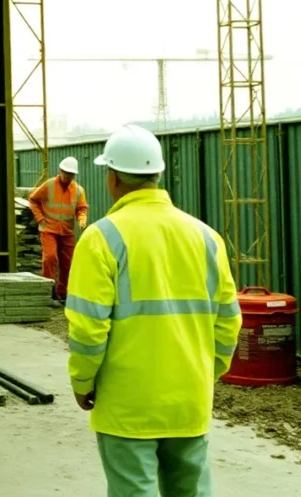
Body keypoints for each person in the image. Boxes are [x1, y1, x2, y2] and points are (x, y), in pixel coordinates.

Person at [65, 125, 242, 495]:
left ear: (112, 177)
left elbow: (87, 329)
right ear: (157, 175)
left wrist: (82, 383)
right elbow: (229, 322)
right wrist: (205, 375)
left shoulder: (101, 238)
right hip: (189, 400)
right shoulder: (207, 237)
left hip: (126, 405)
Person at [29, 156, 88, 303]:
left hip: (67, 232)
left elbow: (81, 208)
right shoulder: (49, 185)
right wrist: (40, 219)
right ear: (60, 171)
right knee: (50, 258)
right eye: (66, 173)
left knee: (67, 262)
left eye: (71, 174)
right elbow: (33, 200)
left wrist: (82, 219)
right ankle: (49, 292)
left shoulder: (78, 190)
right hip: (48, 229)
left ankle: (63, 292)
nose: (68, 177)